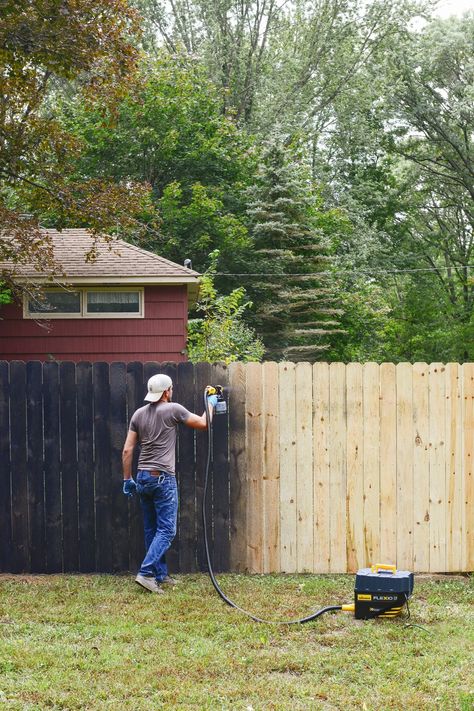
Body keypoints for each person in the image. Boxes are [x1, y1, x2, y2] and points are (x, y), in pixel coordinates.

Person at [122, 373, 218, 593]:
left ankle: (160, 575)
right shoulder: (173, 409)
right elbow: (204, 423)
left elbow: (127, 450)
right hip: (162, 478)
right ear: (166, 392)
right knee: (166, 531)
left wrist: (127, 480)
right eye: (171, 389)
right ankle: (146, 573)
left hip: (143, 477)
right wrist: (211, 403)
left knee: (151, 529)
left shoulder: (138, 414)